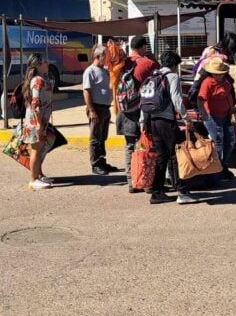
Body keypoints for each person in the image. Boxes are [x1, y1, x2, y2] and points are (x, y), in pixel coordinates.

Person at [141, 50, 199, 205]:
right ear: (174, 65)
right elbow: (177, 99)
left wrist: (142, 122)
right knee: (175, 155)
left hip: (153, 121)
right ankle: (182, 191)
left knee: (162, 157)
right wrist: (186, 118)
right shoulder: (172, 77)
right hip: (167, 121)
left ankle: (157, 192)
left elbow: (145, 101)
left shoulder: (152, 77)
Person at [116, 35, 160, 193]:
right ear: (143, 47)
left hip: (125, 110)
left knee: (129, 147)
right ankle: (147, 182)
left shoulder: (122, 63)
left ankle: (132, 182)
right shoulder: (148, 63)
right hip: (144, 110)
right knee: (148, 146)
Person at [19, 53, 56, 190]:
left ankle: (39, 174)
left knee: (40, 149)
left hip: (41, 121)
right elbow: (35, 103)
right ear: (39, 65)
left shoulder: (42, 79)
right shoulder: (38, 81)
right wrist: (39, 122)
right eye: (45, 62)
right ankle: (33, 179)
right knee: (36, 149)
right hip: (36, 122)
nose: (47, 64)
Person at [197, 57, 236, 182]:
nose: (219, 76)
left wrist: (232, 110)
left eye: (220, 74)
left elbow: (229, 96)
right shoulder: (207, 83)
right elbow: (201, 99)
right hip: (212, 116)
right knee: (218, 142)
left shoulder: (225, 83)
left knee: (230, 140)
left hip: (225, 115)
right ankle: (215, 173)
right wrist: (205, 114)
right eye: (217, 74)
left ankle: (222, 166)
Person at [83, 45, 119, 175]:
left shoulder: (104, 70)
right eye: (105, 56)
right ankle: (95, 164)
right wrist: (91, 110)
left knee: (103, 136)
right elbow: (86, 92)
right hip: (96, 107)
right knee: (95, 137)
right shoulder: (90, 71)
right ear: (99, 57)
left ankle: (102, 161)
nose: (107, 58)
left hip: (105, 107)